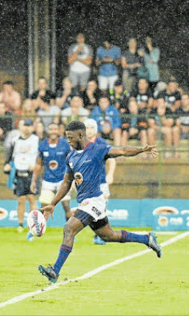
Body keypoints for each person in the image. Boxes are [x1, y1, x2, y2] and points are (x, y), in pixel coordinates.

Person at [38, 121, 161, 283]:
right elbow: (67, 183)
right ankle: (147, 239)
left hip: (95, 201)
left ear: (80, 135)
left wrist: (141, 150)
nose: (68, 141)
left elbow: (122, 150)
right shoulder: (71, 156)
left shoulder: (98, 149)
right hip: (84, 202)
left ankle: (55, 270)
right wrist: (53, 203)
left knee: (69, 228)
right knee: (108, 236)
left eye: (70, 137)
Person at [29, 123, 72, 242]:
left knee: (66, 206)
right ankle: (34, 231)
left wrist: (71, 180)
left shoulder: (65, 144)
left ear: (59, 131)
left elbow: (71, 162)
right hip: (48, 180)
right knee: (44, 208)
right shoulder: (43, 146)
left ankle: (71, 233)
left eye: (55, 129)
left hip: (63, 180)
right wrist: (33, 181)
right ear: (48, 130)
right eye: (51, 129)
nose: (53, 131)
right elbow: (38, 164)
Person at [84, 118, 116, 244]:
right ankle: (99, 234)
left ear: (96, 129)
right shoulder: (79, 144)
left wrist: (110, 174)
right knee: (91, 210)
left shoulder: (102, 143)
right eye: (87, 128)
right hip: (86, 183)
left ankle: (100, 235)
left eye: (92, 128)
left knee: (102, 209)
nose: (89, 130)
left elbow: (112, 159)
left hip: (101, 182)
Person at [3, 119, 39, 232]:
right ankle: (20, 224)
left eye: (29, 126)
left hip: (31, 173)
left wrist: (37, 165)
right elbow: (9, 155)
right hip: (18, 171)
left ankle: (34, 224)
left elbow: (41, 155)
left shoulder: (36, 140)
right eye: (25, 126)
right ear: (21, 127)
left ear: (33, 127)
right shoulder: (15, 140)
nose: (27, 128)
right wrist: (6, 165)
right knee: (21, 199)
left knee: (32, 198)